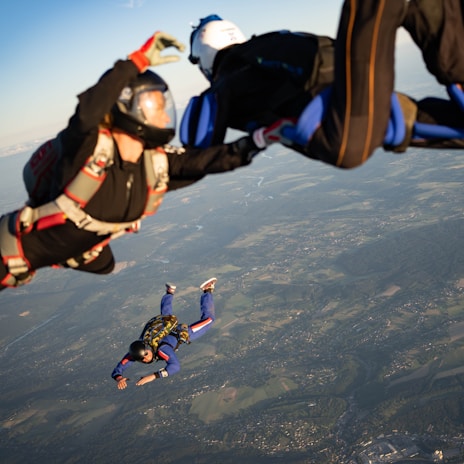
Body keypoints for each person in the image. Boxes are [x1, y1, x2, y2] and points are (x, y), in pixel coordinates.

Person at [0, 31, 269, 291]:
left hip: (75, 246)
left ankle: (75, 250)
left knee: (106, 265)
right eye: (158, 107)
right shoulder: (87, 148)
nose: (165, 117)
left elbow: (202, 163)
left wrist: (260, 140)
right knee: (96, 259)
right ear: (129, 106)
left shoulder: (154, 165)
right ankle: (72, 250)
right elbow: (88, 112)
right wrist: (136, 62)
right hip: (6, 252)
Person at [184, 4, 464, 170]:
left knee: (374, 8)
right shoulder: (271, 46)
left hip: (343, 132)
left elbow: (197, 148)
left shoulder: (227, 81)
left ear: (205, 59)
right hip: (360, 102)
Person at [111, 277, 217, 389]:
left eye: (146, 355)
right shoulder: (139, 350)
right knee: (166, 316)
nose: (145, 359)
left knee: (209, 319)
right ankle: (169, 292)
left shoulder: (162, 350)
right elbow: (119, 368)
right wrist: (119, 378)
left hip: (182, 332)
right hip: (166, 328)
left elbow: (175, 367)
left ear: (147, 349)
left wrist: (153, 376)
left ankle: (207, 290)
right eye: (142, 359)